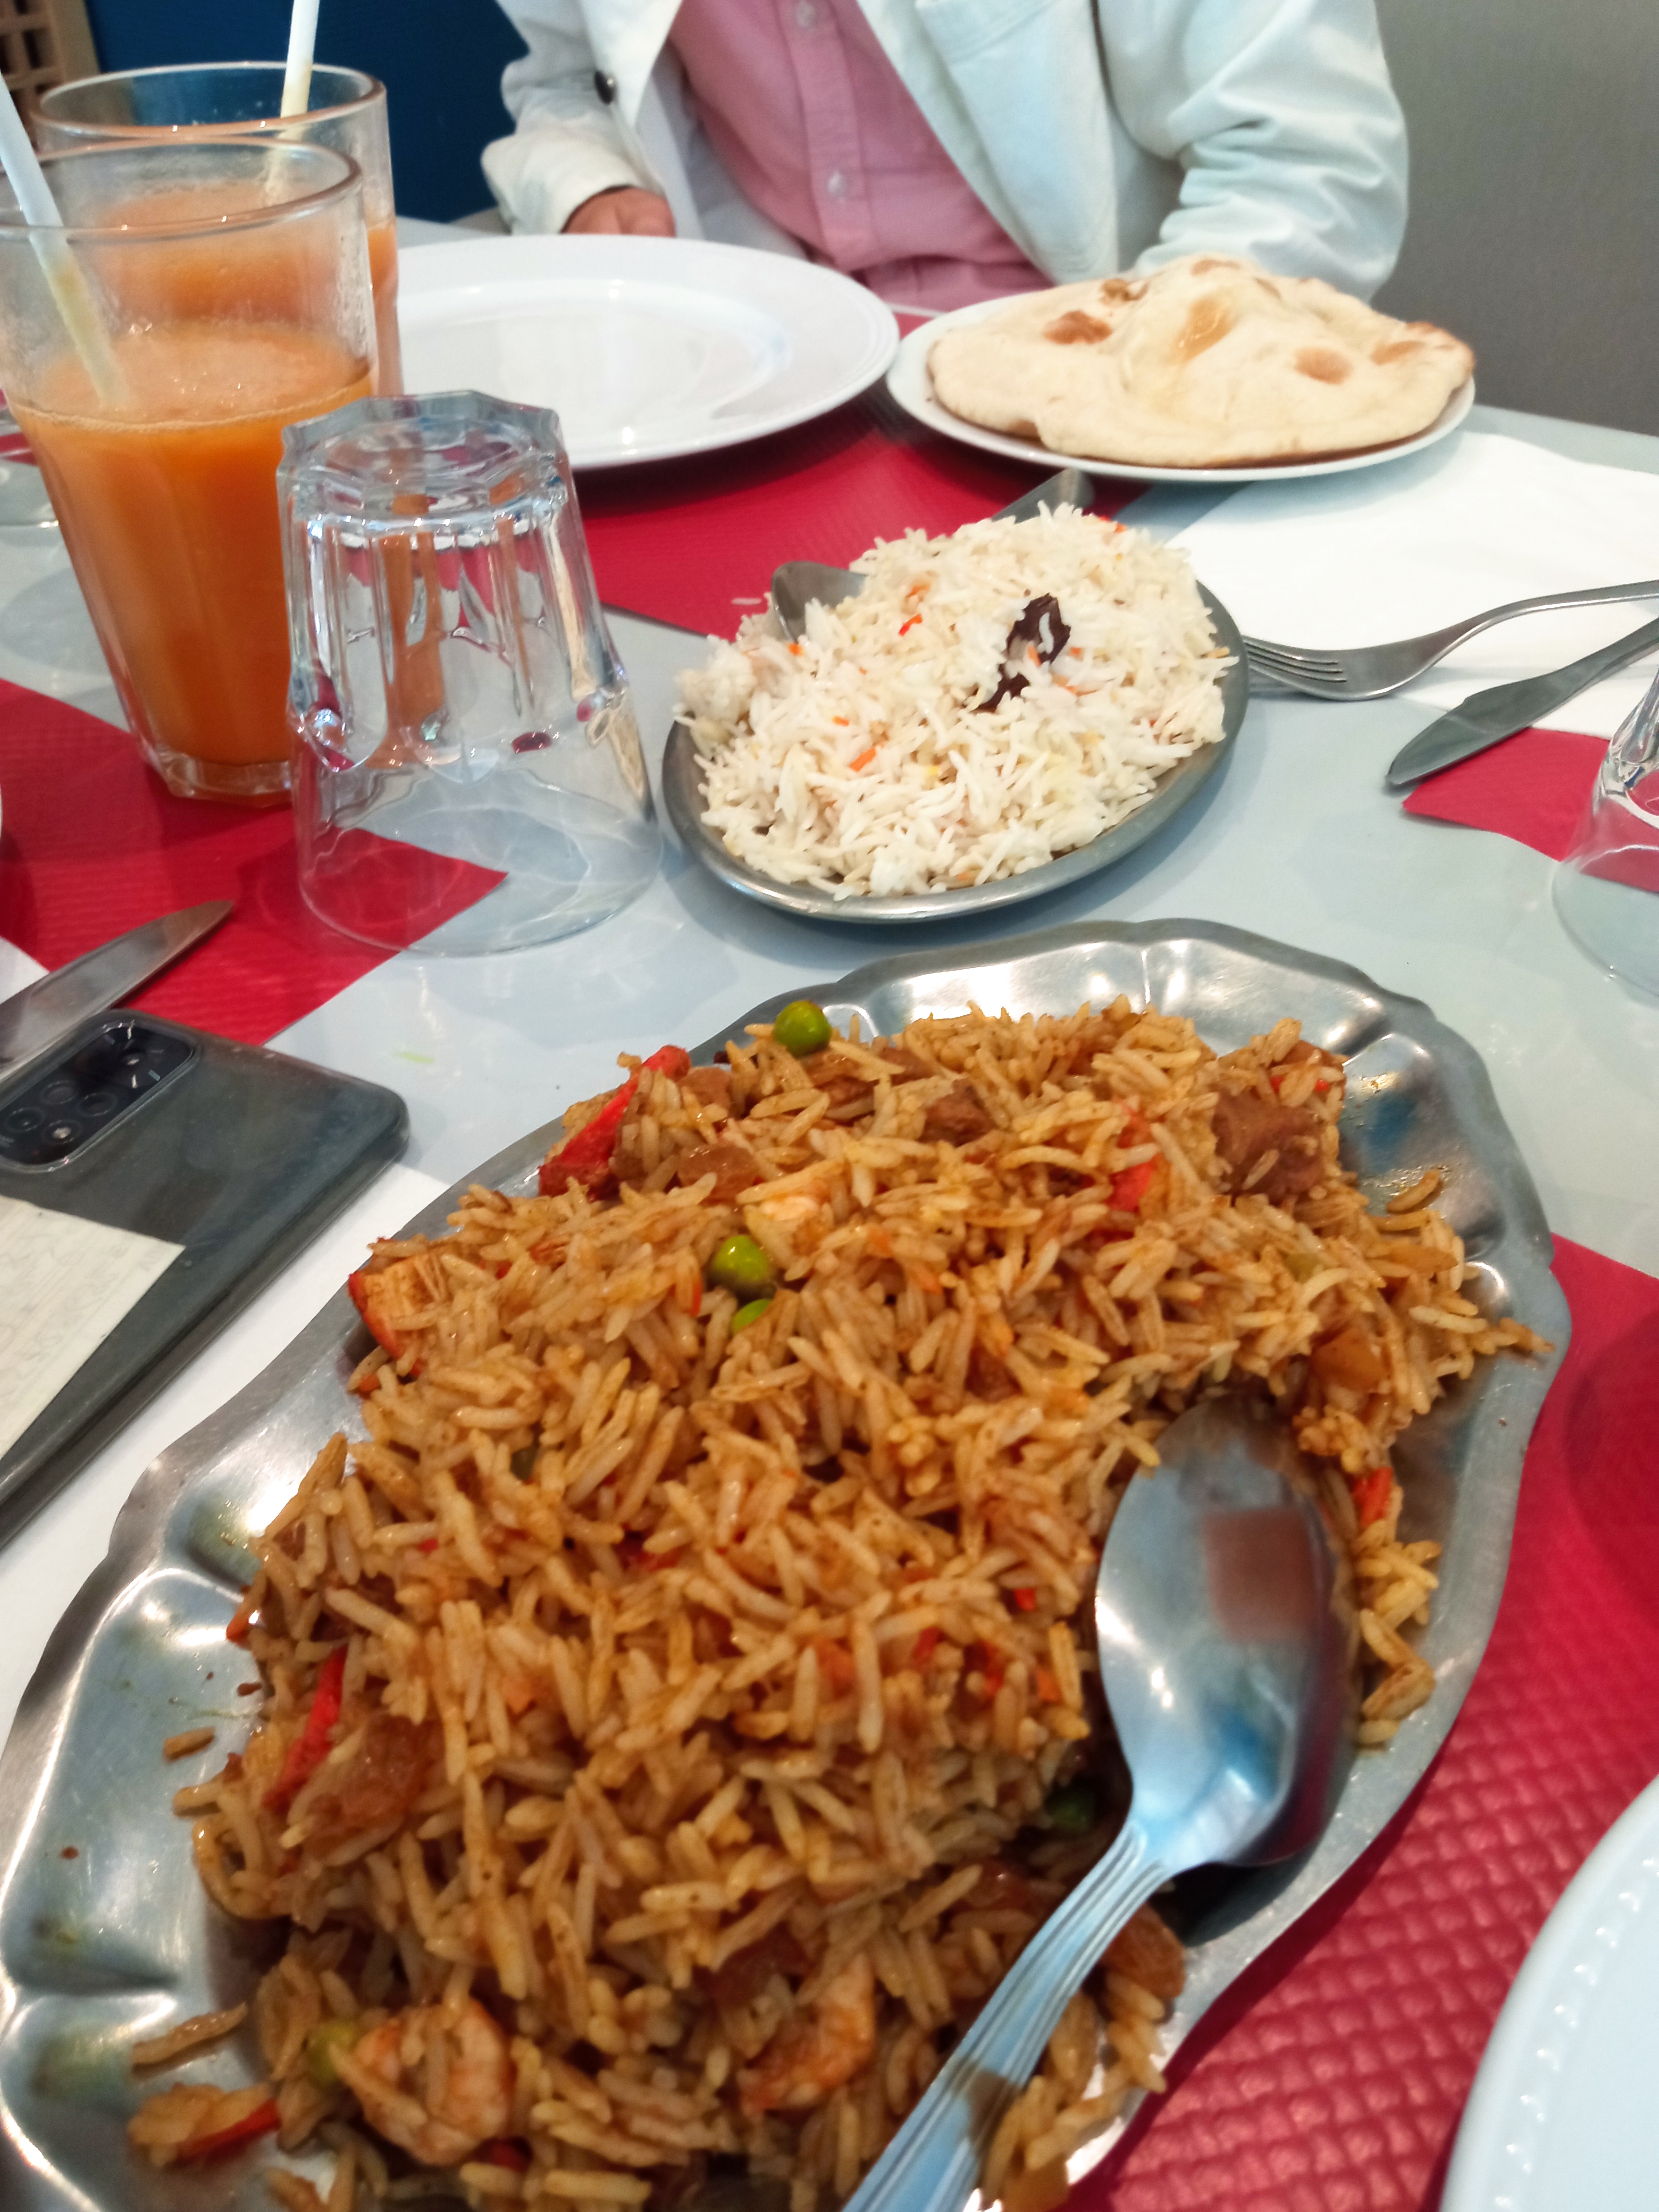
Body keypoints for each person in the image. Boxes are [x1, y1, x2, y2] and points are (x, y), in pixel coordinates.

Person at [482, 0, 1407, 312]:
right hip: (785, 390)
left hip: (1116, 390)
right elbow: (569, 82)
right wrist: (590, 185)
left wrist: (1120, 374)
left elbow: (1307, 162)